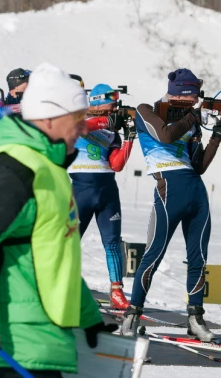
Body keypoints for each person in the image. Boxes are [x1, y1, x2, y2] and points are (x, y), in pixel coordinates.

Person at [0, 63, 117, 377]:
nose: (84, 127)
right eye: (77, 117)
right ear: (48, 117)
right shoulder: (15, 168)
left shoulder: (52, 170)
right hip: (12, 350)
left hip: (48, 345)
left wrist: (89, 317)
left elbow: (53, 257)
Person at [120, 68, 221, 341]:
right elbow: (165, 136)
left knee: (198, 258)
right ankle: (132, 315)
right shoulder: (147, 111)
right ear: (184, 95)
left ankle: (195, 317)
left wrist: (217, 135)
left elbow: (199, 165)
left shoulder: (190, 121)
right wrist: (194, 115)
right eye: (192, 98)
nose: (194, 103)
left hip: (195, 190)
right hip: (169, 188)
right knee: (153, 254)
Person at [68, 83, 135, 309]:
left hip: (107, 191)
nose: (115, 107)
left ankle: (116, 291)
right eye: (112, 103)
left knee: (113, 242)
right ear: (97, 101)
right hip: (81, 189)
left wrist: (129, 139)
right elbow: (81, 128)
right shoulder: (78, 118)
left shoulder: (111, 129)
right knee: (70, 241)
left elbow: (116, 165)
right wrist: (106, 121)